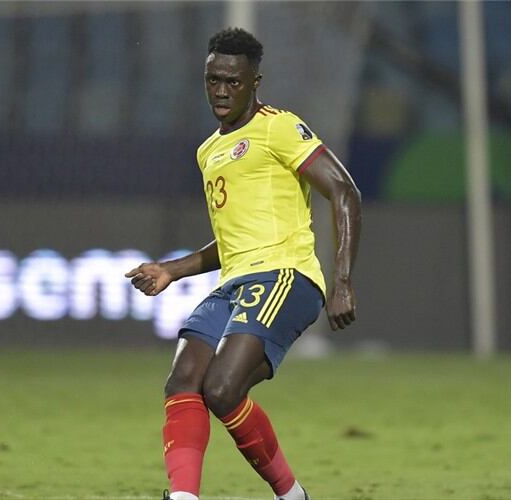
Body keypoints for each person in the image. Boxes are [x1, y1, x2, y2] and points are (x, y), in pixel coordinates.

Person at [126, 27, 361, 500]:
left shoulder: (278, 127)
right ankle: (185, 497)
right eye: (213, 79)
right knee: (184, 379)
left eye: (233, 81)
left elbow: (344, 191)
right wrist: (172, 270)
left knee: (222, 387)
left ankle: (291, 495)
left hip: (285, 276)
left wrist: (343, 281)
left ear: (255, 82)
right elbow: (230, 242)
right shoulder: (208, 151)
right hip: (236, 282)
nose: (221, 90)